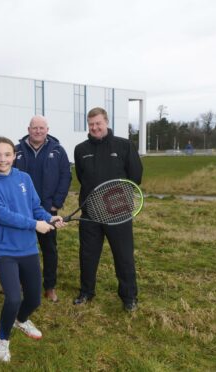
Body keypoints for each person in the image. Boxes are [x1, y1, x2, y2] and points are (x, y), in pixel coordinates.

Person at [0, 137, 64, 363]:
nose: (3, 159)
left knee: (34, 299)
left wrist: (49, 217)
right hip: (5, 249)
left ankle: (21, 320)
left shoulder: (24, 178)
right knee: (14, 298)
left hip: (28, 247)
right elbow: (1, 214)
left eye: (7, 154)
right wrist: (35, 224)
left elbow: (35, 207)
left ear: (14, 155)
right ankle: (3, 339)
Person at [73, 107, 143, 312]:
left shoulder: (124, 145)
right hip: (90, 213)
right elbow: (82, 177)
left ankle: (129, 297)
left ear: (106, 122)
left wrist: (117, 198)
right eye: (91, 124)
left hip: (118, 213)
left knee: (123, 256)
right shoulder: (80, 149)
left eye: (98, 123)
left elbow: (135, 176)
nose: (94, 128)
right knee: (87, 255)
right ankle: (86, 292)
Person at [14, 115, 71, 302]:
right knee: (21, 248)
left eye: (41, 128)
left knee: (49, 249)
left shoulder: (58, 151)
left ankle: (49, 286)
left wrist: (57, 203)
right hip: (22, 211)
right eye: (34, 127)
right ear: (28, 129)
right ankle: (21, 284)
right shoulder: (17, 151)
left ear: (47, 129)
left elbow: (65, 177)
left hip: (47, 210)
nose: (38, 131)